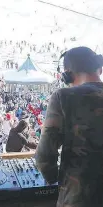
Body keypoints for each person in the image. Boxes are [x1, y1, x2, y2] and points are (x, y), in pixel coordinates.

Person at [35, 47, 103, 207]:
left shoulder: (63, 97)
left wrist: (54, 178)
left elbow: (44, 157)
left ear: (67, 74)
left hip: (79, 199)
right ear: (99, 68)